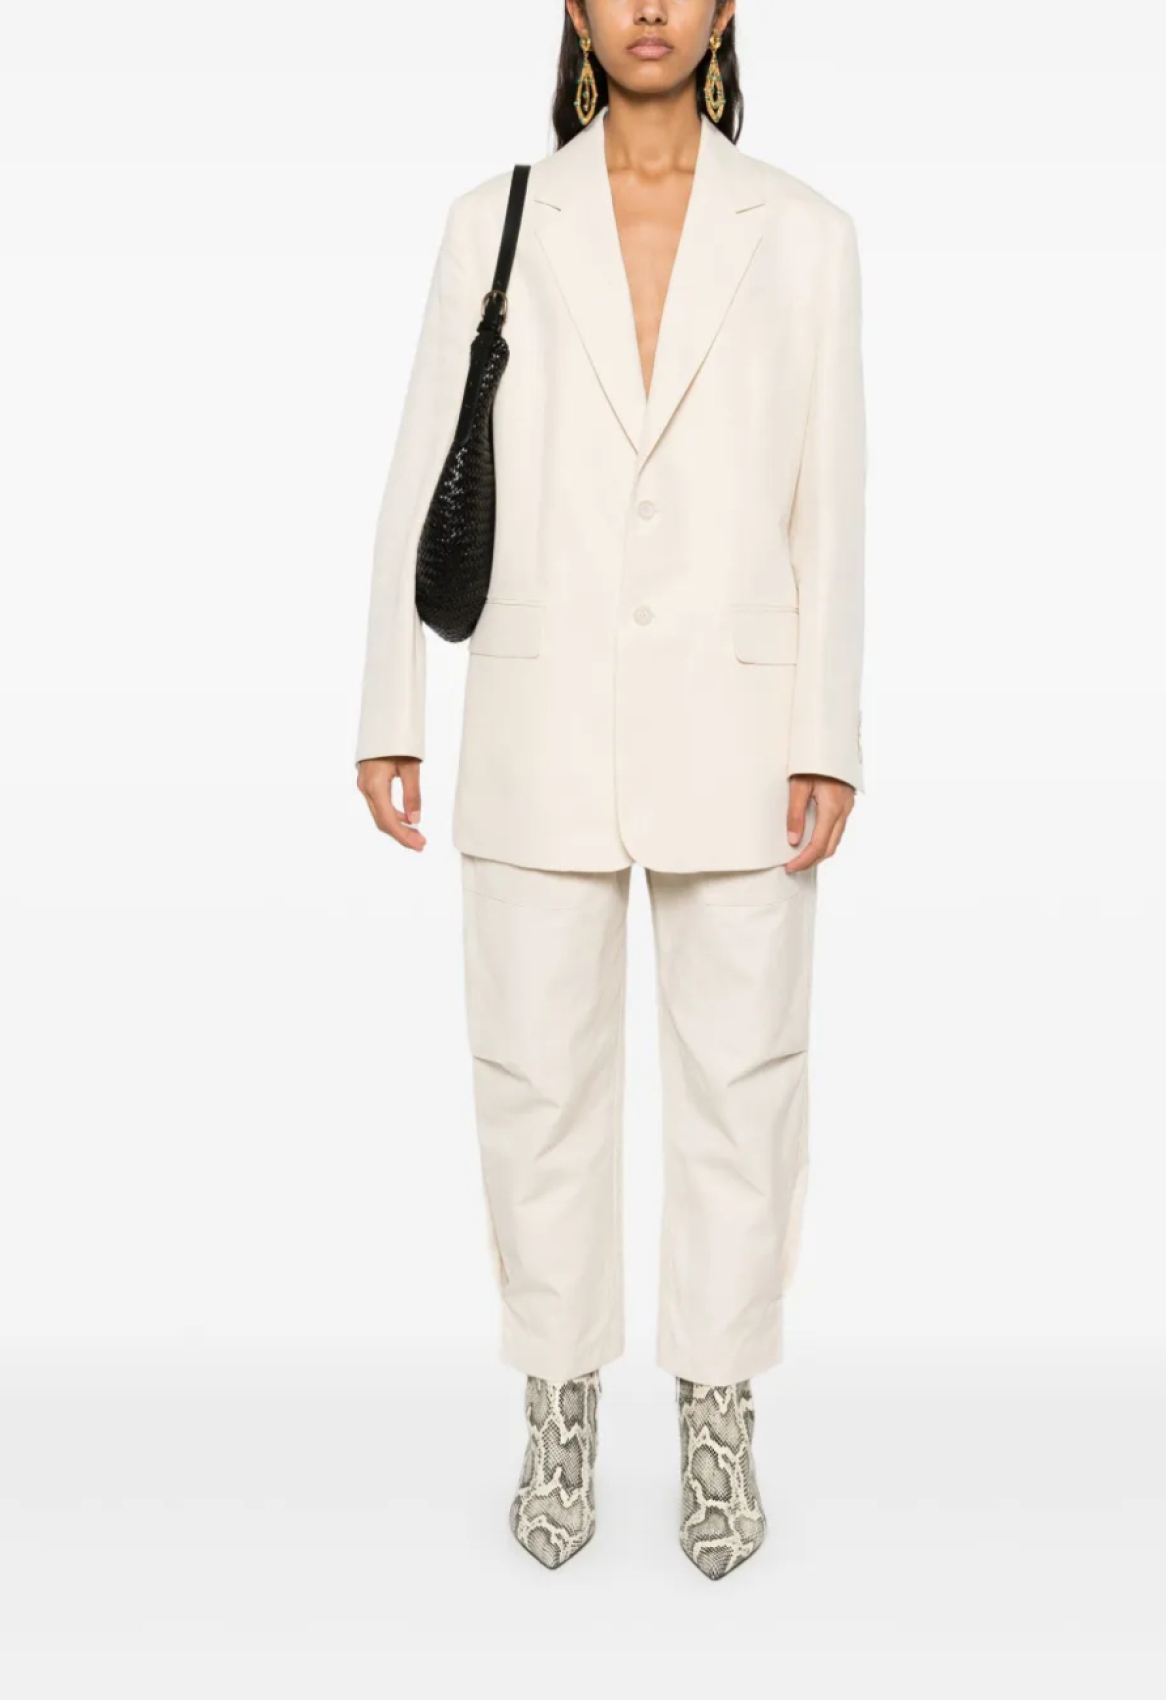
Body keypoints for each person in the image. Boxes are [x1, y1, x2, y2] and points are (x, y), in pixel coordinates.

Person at [354, 1, 866, 1580]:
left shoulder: (806, 233)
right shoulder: (495, 220)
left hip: (740, 721)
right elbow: (421, 469)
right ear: (575, 8)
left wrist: (827, 729)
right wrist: (392, 704)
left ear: (726, 8)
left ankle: (717, 1408)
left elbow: (832, 496)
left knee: (743, 1086)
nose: (651, 7)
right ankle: (558, 1402)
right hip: (538, 708)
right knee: (536, 1084)